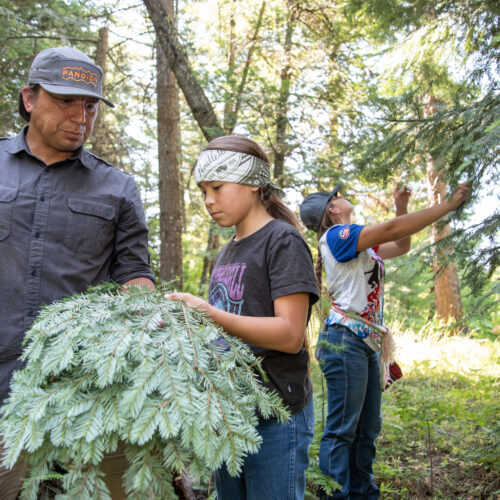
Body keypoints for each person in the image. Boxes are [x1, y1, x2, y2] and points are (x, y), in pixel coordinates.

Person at [0, 46, 155, 499]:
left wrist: (144, 309)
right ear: (30, 99)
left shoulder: (119, 188)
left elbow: (134, 270)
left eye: (89, 106)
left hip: (87, 392)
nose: (80, 116)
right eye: (65, 100)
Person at [167, 135, 319, 500]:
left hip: (276, 414)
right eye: (203, 190)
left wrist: (208, 313)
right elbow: (225, 328)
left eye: (217, 187)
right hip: (230, 414)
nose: (208, 200)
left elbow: (289, 334)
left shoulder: (281, 241)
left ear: (253, 184)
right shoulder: (226, 252)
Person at [299, 182, 471, 499]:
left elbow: (400, 244)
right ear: (332, 210)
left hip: (365, 343)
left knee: (367, 431)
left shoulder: (357, 244)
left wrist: (401, 206)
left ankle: (364, 494)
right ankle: (336, 495)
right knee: (342, 431)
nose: (342, 196)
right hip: (344, 341)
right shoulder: (337, 236)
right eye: (336, 196)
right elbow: (390, 229)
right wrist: (448, 205)